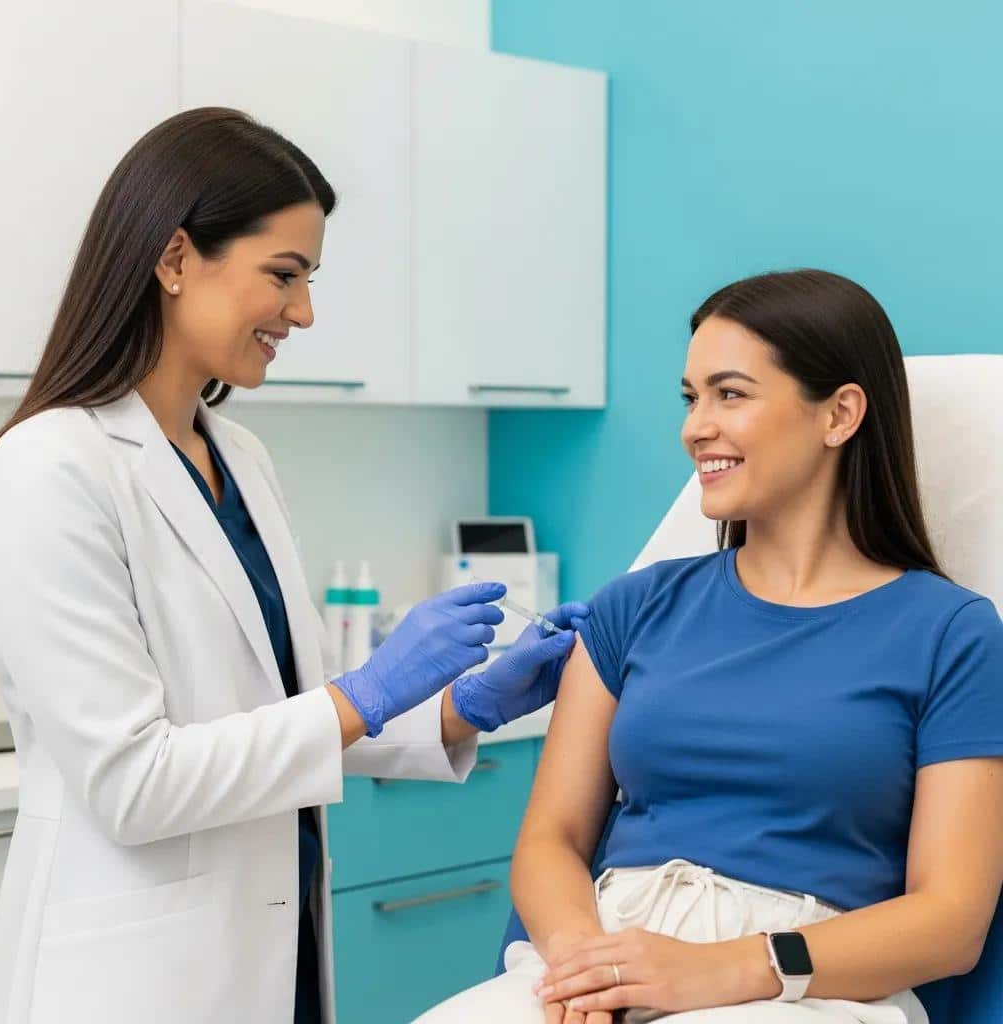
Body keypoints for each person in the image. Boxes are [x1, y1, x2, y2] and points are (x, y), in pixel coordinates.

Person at [0, 107, 587, 1024]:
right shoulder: (49, 467)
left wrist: (466, 704)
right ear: (176, 259)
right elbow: (135, 784)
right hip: (132, 980)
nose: (302, 312)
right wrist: (367, 692)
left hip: (272, 949)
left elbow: (278, 708)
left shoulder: (241, 458)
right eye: (284, 275)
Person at [416, 269, 1003, 1024]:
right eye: (691, 398)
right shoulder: (636, 606)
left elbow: (950, 920)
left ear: (840, 414)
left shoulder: (951, 633)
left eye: (731, 394)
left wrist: (724, 970)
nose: (696, 426)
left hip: (802, 984)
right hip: (602, 952)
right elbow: (550, 840)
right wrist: (583, 967)